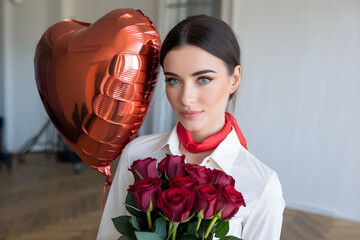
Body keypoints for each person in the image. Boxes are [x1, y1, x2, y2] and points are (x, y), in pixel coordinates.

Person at [97, 15, 285, 240]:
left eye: (203, 79)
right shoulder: (138, 155)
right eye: (173, 80)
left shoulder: (262, 184)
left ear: (234, 79)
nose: (186, 98)